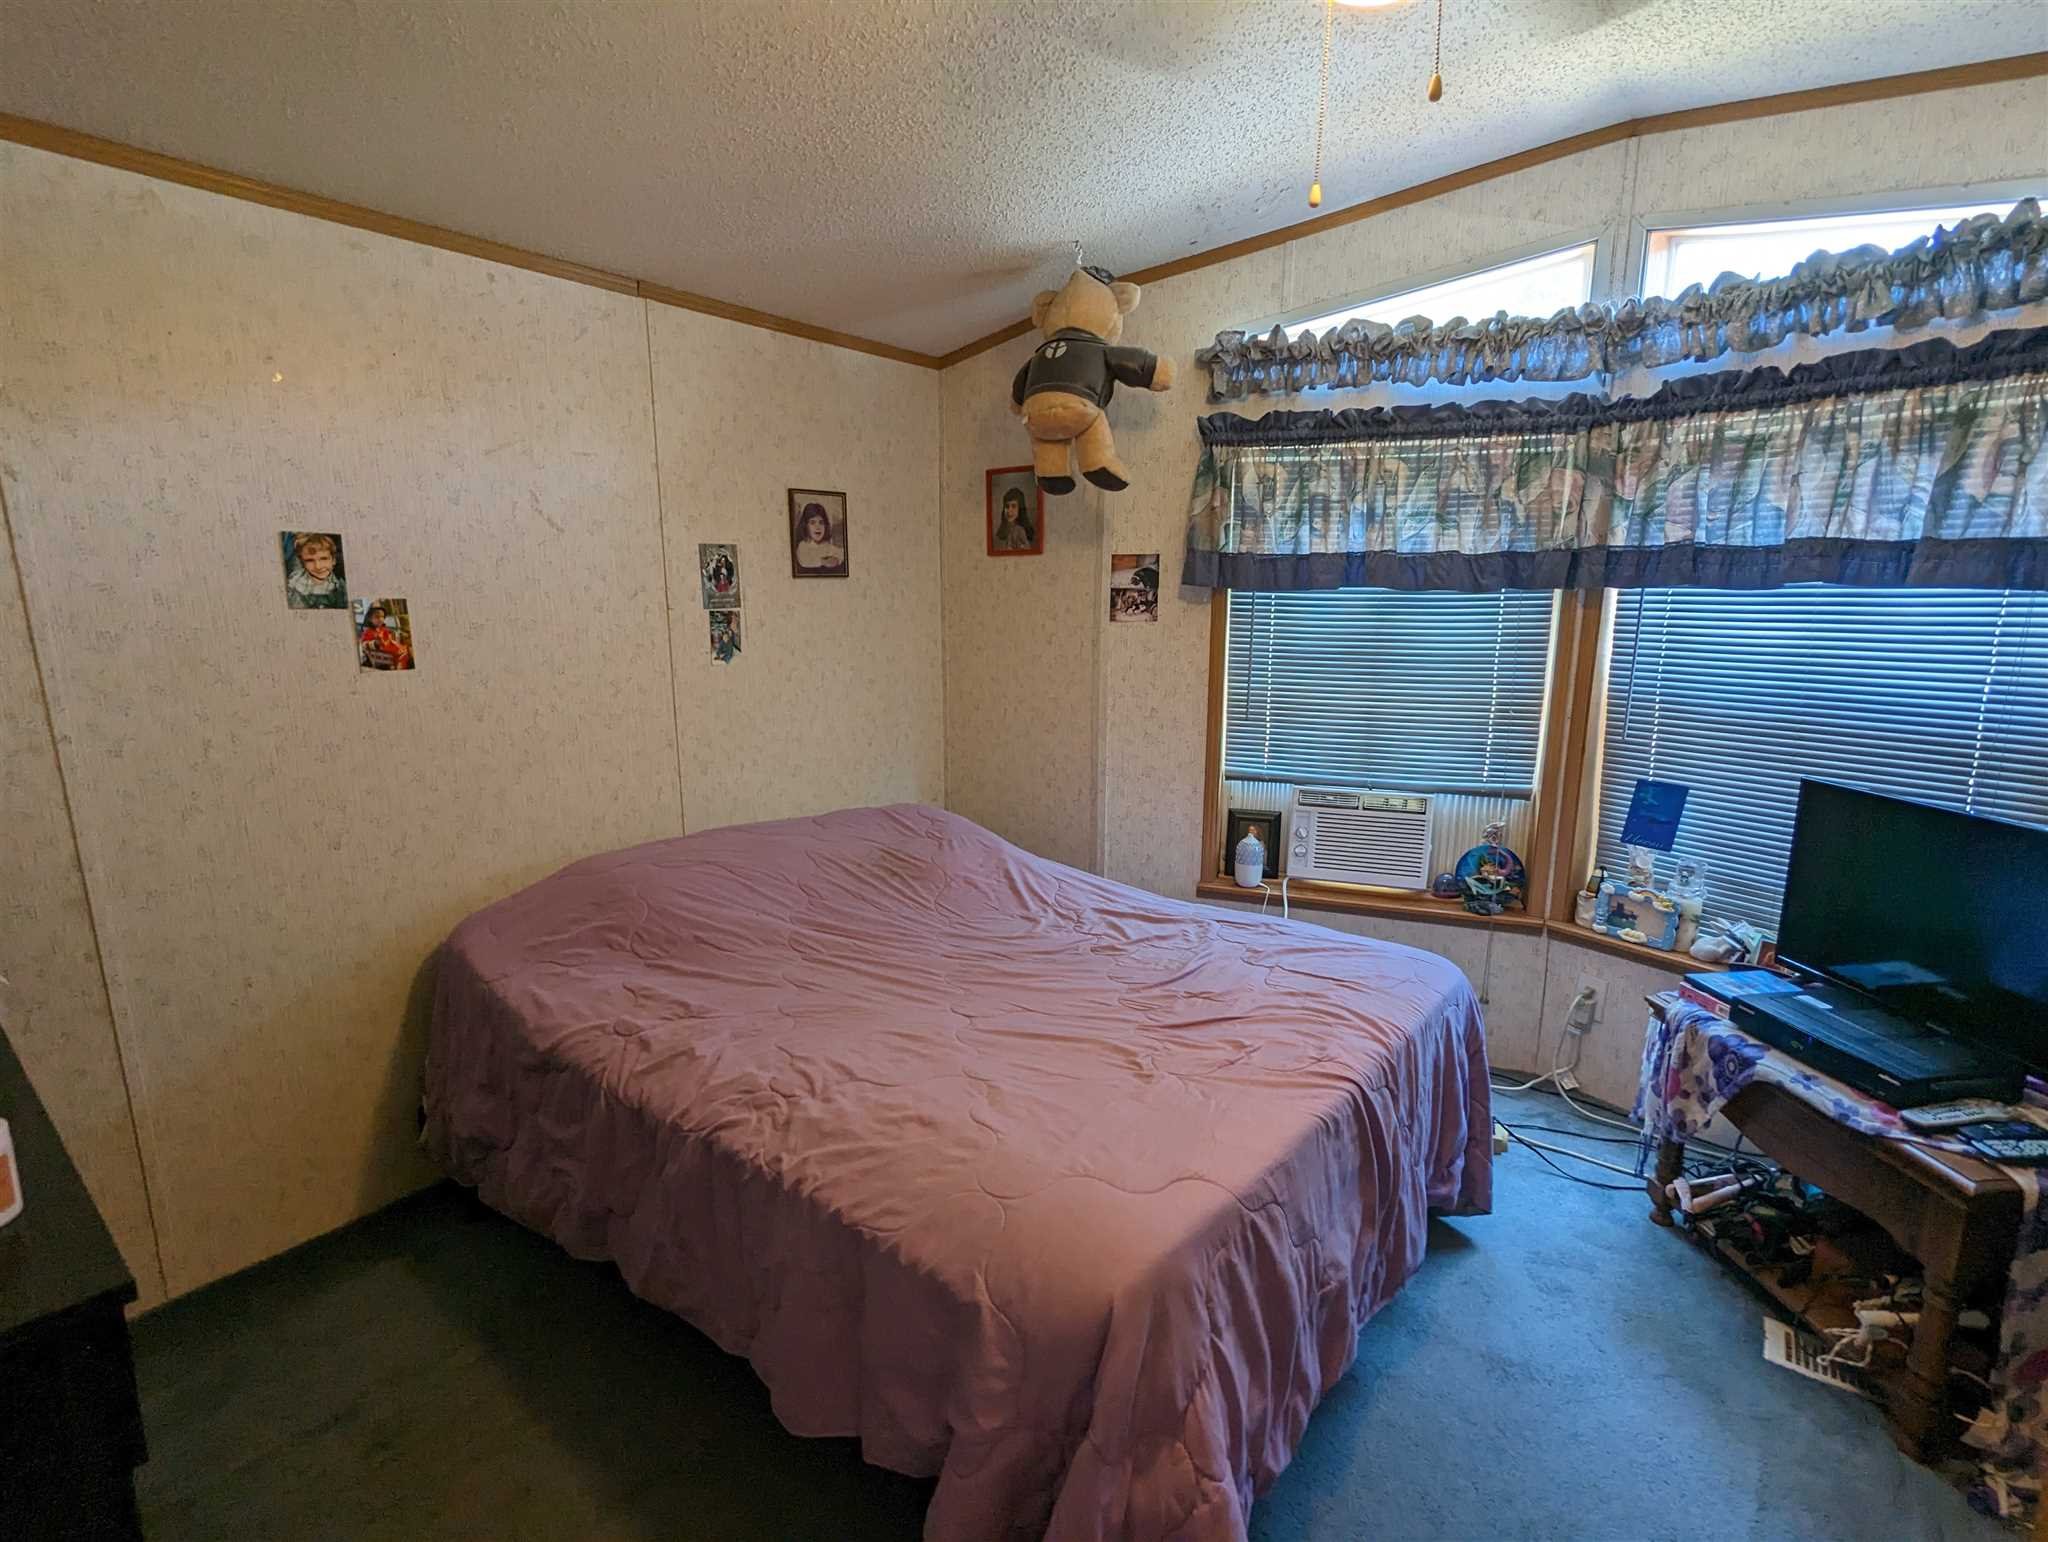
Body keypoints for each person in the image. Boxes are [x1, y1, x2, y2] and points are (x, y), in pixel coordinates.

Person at [285, 532, 347, 609]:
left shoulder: (341, 585)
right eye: (309, 560)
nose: (318, 566)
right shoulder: (293, 586)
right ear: (302, 563)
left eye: (324, 558)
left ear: (333, 560)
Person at [792, 502, 846, 572]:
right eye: (812, 522)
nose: (818, 527)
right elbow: (804, 561)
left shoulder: (827, 546)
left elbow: (841, 553)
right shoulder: (803, 546)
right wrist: (823, 562)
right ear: (805, 526)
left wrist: (837, 560)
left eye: (821, 522)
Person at [357, 604, 413, 669]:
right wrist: (375, 643)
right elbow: (364, 644)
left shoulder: (382, 628)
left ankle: (404, 663)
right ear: (370, 619)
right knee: (401, 654)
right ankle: (399, 666)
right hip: (381, 652)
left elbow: (388, 637)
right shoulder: (368, 632)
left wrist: (391, 638)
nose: (381, 619)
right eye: (377, 617)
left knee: (406, 649)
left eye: (382, 617)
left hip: (388, 646)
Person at [993, 486, 1035, 551]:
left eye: (1013, 506)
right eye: (1007, 506)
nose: (1009, 510)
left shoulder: (1020, 530)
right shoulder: (1003, 531)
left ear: (1020, 510)